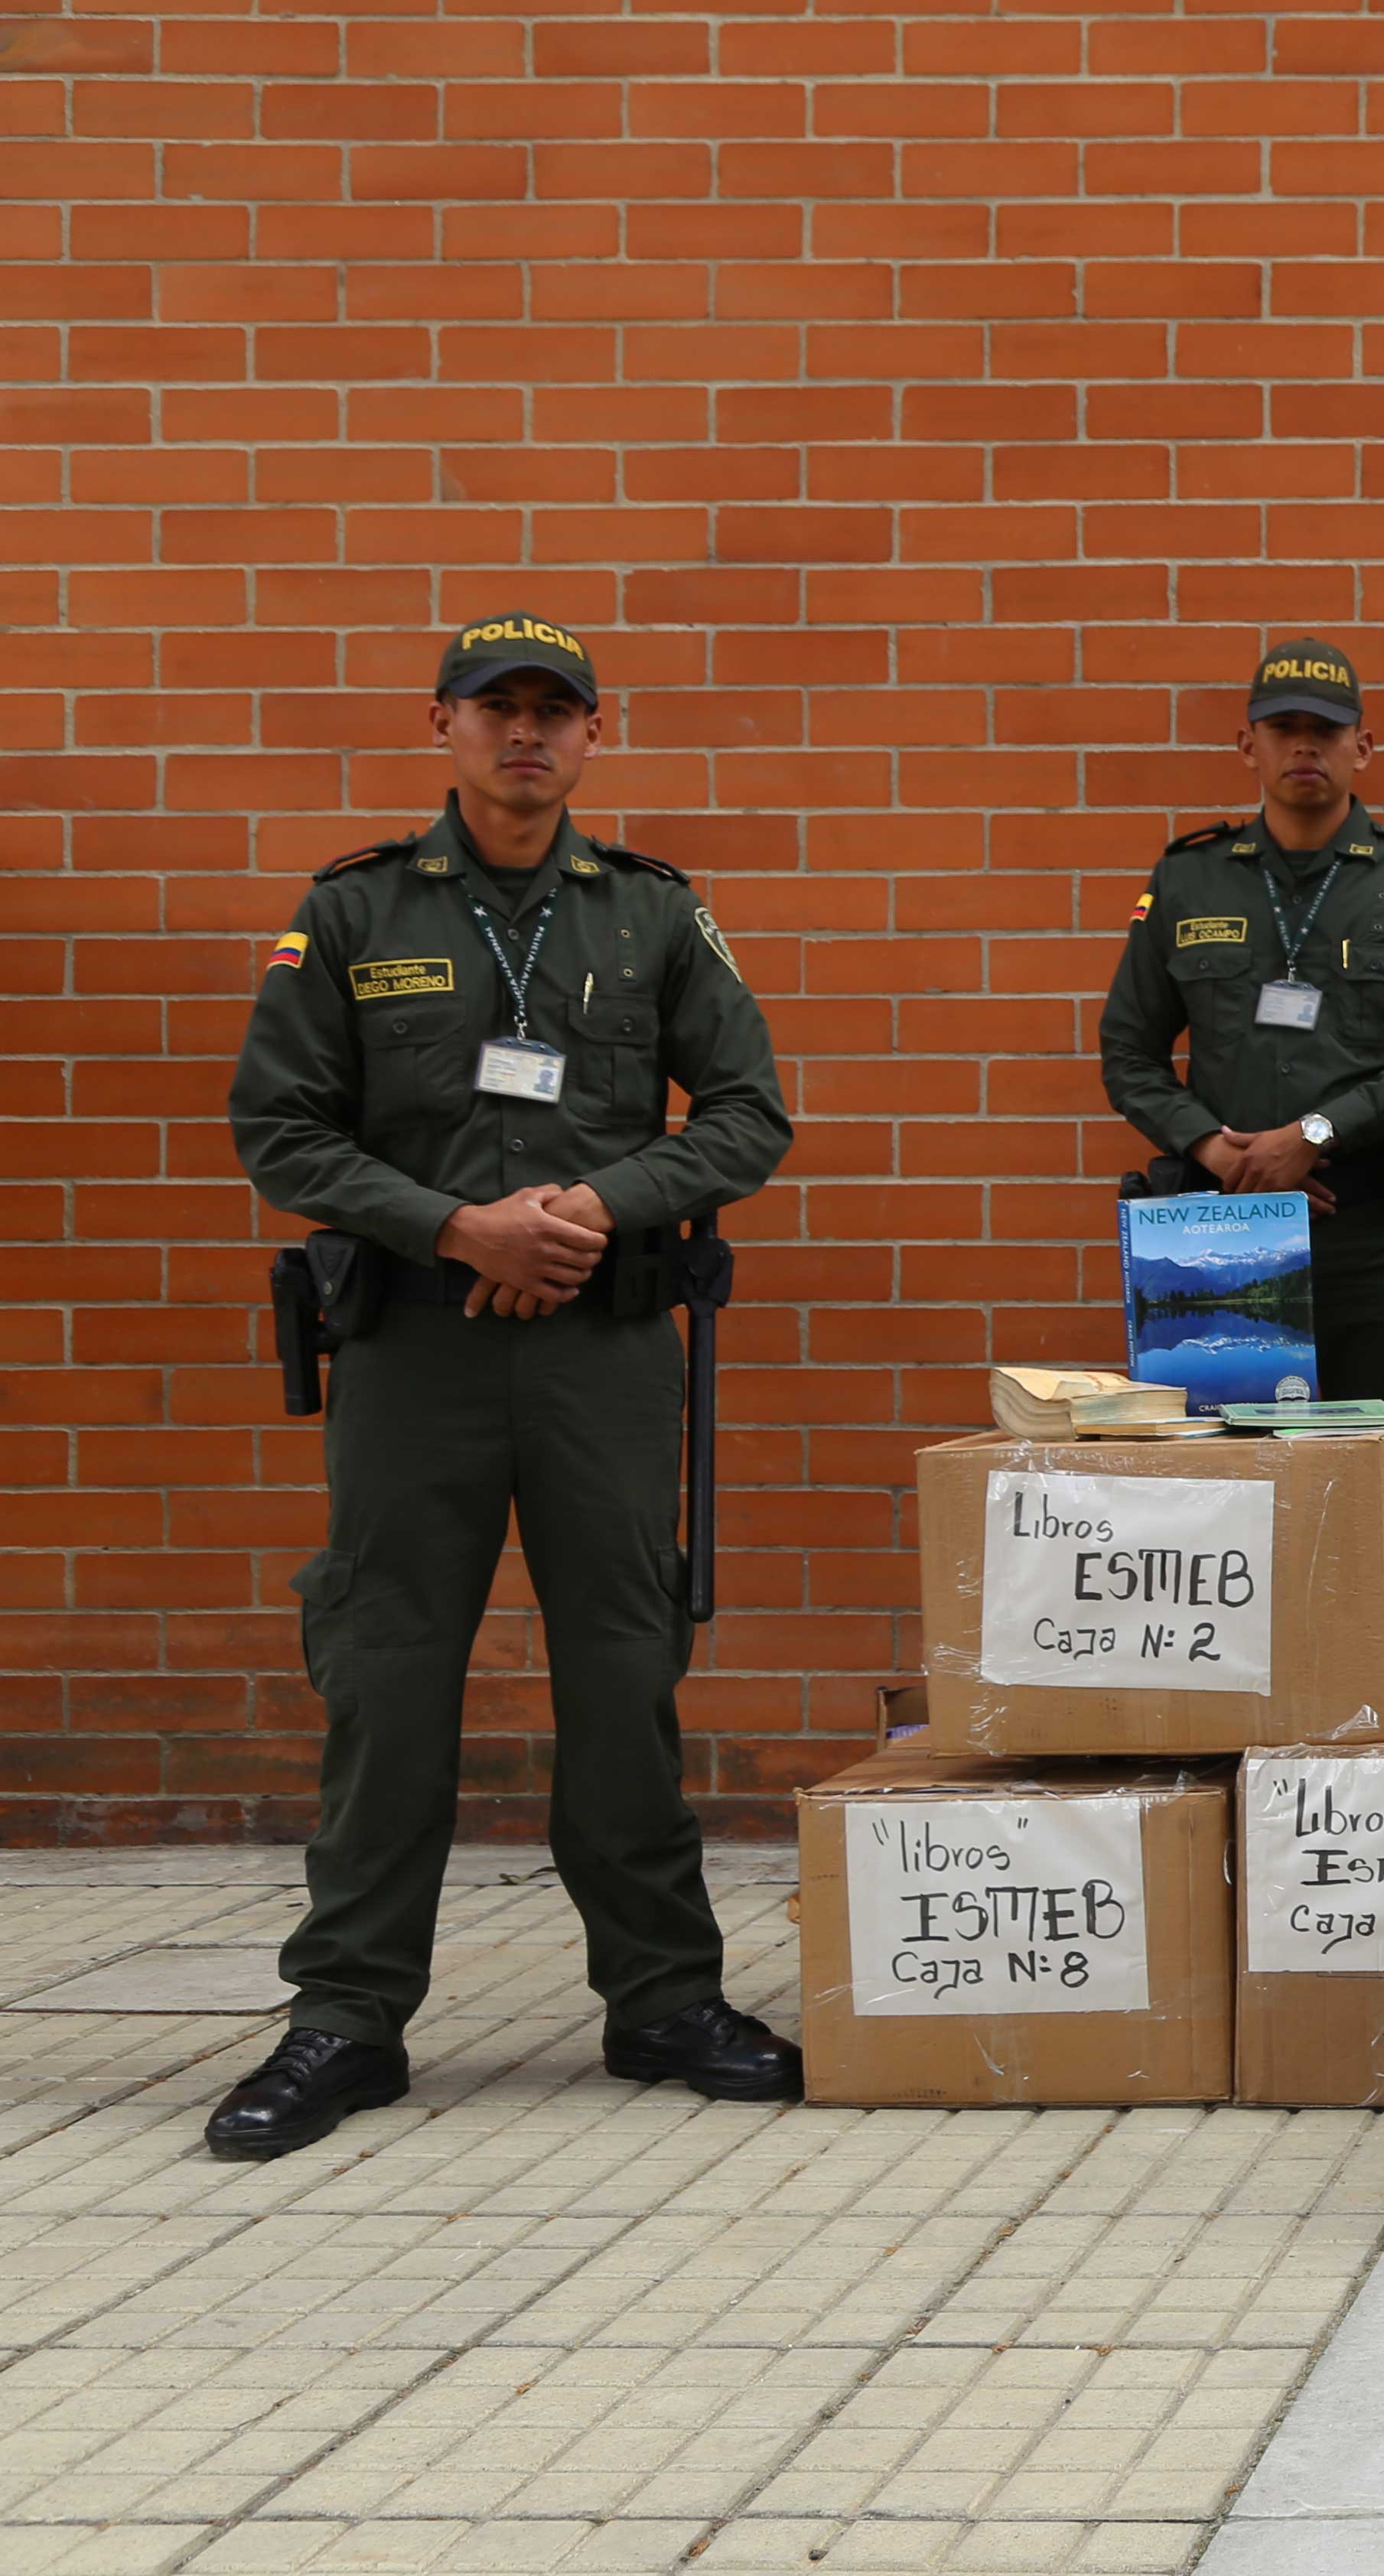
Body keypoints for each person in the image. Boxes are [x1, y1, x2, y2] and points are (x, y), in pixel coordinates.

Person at [217, 610, 801, 2158]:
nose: (525, 733)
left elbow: (748, 1113)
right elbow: (280, 1127)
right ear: (444, 726)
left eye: (555, 709)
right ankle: (347, 2016)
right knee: (387, 1670)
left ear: (596, 733)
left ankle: (664, 1999)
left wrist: (595, 1207)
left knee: (623, 1668)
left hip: (604, 1351)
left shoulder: (654, 914)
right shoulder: (352, 910)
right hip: (416, 1352)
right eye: (497, 707)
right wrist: (456, 1225)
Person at [1100, 638, 1384, 1401]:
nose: (1305, 746)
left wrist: (1314, 1132)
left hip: (1380, 1239)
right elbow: (1127, 1052)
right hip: (1224, 1234)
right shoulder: (1188, 880)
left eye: (1326, 729)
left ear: (1363, 747)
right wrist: (1216, 1150)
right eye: (1283, 728)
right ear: (1248, 745)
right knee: (1230, 1458)